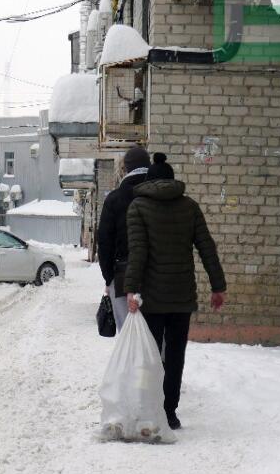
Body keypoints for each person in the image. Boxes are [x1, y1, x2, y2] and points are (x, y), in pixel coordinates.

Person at [124, 160, 227, 430]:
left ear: (148, 181)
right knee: (176, 356)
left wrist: (131, 289)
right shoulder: (189, 207)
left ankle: (150, 408)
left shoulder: (138, 207)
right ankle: (169, 412)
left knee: (151, 355)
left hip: (152, 297)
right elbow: (207, 248)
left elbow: (138, 253)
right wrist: (218, 286)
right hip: (182, 296)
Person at [96, 145, 152, 330]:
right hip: (156, 278)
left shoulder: (114, 199)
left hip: (122, 276)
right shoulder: (160, 196)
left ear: (126, 168)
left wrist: (109, 278)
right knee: (154, 338)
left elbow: (104, 242)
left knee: (128, 336)